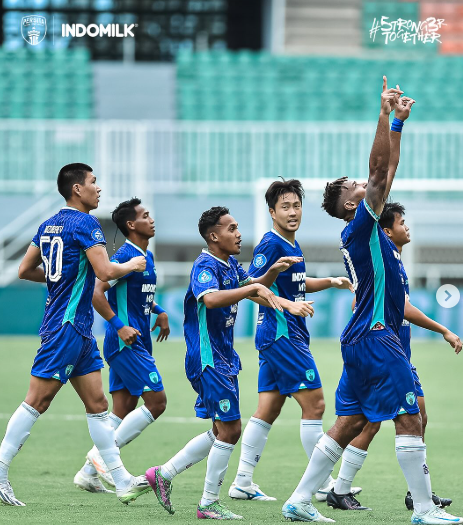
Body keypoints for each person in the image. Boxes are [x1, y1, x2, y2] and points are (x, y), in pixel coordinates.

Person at [282, 77, 462, 525]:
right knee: (409, 417)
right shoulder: (360, 227)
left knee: (346, 426)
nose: (364, 184)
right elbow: (383, 173)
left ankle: (299, 501)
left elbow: (384, 173)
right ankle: (422, 509)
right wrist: (386, 117)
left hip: (362, 338)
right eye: (354, 187)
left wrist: (397, 123)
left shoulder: (370, 232)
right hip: (378, 336)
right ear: (349, 206)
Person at [145, 206, 310, 520]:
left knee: (220, 429)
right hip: (208, 359)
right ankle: (208, 503)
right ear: (213, 236)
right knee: (231, 429)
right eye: (232, 228)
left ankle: (162, 475)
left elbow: (256, 288)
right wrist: (253, 287)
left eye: (237, 227)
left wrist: (278, 284)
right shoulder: (205, 266)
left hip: (224, 358)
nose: (238, 233)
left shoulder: (231, 264)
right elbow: (210, 298)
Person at [0, 164, 150, 507]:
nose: (98, 188)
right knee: (37, 400)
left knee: (98, 405)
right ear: (77, 190)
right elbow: (105, 271)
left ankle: (122, 479)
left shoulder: (48, 224)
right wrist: (131, 266)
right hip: (66, 325)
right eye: (94, 182)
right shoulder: (84, 223)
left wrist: (60, 278)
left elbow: (24, 270)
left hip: (79, 329)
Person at [228, 179, 357, 503]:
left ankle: (242, 481)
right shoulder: (270, 244)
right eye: (285, 206)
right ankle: (324, 482)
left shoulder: (291, 243)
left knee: (268, 408)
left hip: (281, 335)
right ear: (272, 211)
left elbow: (296, 285)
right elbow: (253, 288)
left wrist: (331, 281)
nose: (292, 212)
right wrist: (286, 304)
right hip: (282, 333)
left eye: (296, 205)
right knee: (316, 405)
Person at [326, 202, 460, 512]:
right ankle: (341, 488)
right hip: (381, 353)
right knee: (370, 422)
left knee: (414, 417)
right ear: (387, 231)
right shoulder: (386, 262)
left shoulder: (394, 262)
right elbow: (404, 309)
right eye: (402, 222)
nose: (407, 227)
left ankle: (418, 492)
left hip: (395, 352)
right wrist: (444, 330)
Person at [73, 197, 170, 493]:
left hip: (137, 340)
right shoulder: (126, 257)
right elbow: (96, 292)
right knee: (157, 402)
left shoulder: (144, 257)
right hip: (126, 343)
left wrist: (160, 311)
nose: (151, 219)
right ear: (131, 225)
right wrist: (119, 325)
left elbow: (140, 296)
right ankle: (102, 455)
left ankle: (88, 473)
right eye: (145, 215)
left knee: (124, 408)